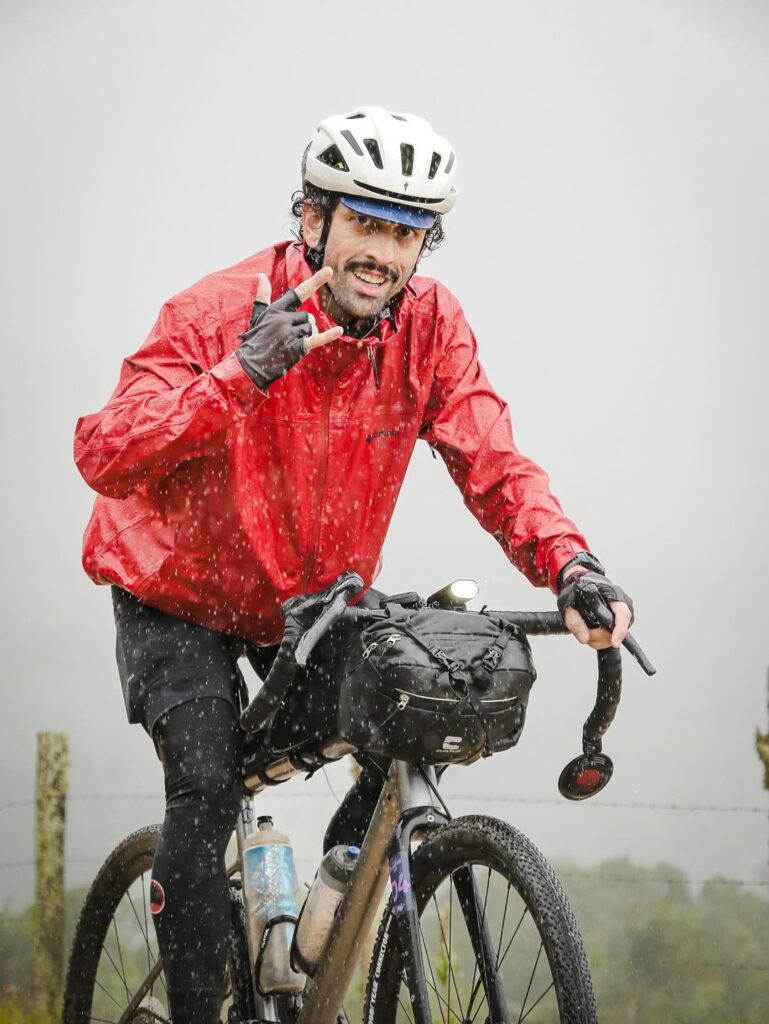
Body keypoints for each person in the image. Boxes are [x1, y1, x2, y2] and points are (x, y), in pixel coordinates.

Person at [74, 106, 633, 1024]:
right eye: (366, 224)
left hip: (308, 599)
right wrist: (236, 376)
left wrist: (570, 564)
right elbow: (104, 453)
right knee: (207, 788)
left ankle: (329, 915)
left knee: (411, 708)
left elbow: (492, 461)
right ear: (312, 218)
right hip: (177, 593)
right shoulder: (218, 312)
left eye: (407, 233)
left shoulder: (431, 326)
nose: (384, 252)